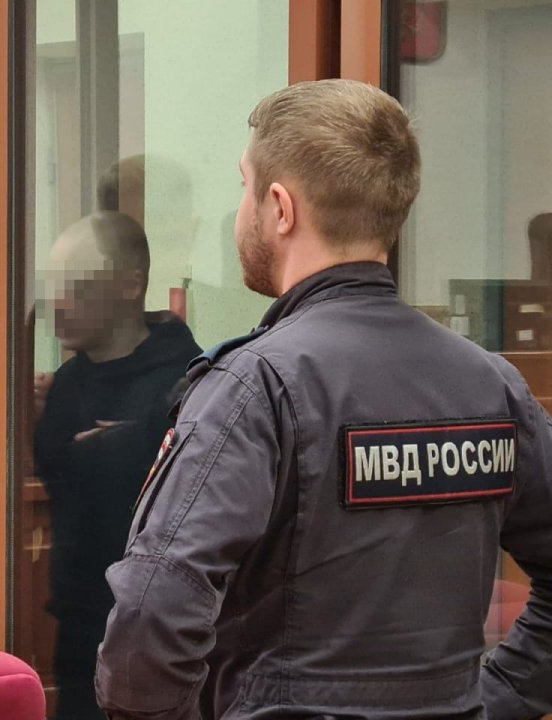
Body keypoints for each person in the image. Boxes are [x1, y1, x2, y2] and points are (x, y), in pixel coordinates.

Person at [95, 79, 552, 719]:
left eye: (245, 186)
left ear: (281, 208)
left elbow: (151, 622)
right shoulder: (492, 384)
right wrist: (493, 701)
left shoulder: (253, 387)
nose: (241, 210)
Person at [34, 211, 201, 719]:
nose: (58, 303)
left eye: (76, 288)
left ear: (130, 285)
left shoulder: (185, 383)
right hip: (76, 621)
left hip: (157, 629)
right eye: (53, 287)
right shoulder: (64, 385)